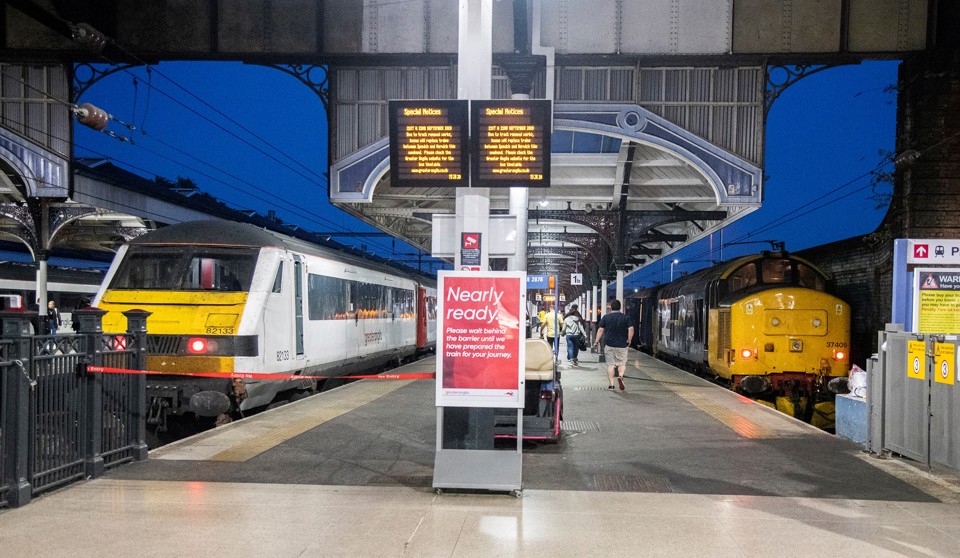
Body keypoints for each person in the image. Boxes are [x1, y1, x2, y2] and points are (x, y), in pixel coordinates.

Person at [593, 299, 634, 391]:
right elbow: (631, 329)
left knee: (610, 365)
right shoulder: (626, 318)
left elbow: (600, 330)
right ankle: (620, 376)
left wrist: (596, 341)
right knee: (622, 363)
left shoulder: (606, 317)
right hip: (622, 344)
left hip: (609, 344)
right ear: (620, 307)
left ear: (611, 307)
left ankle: (611, 385)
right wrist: (629, 339)